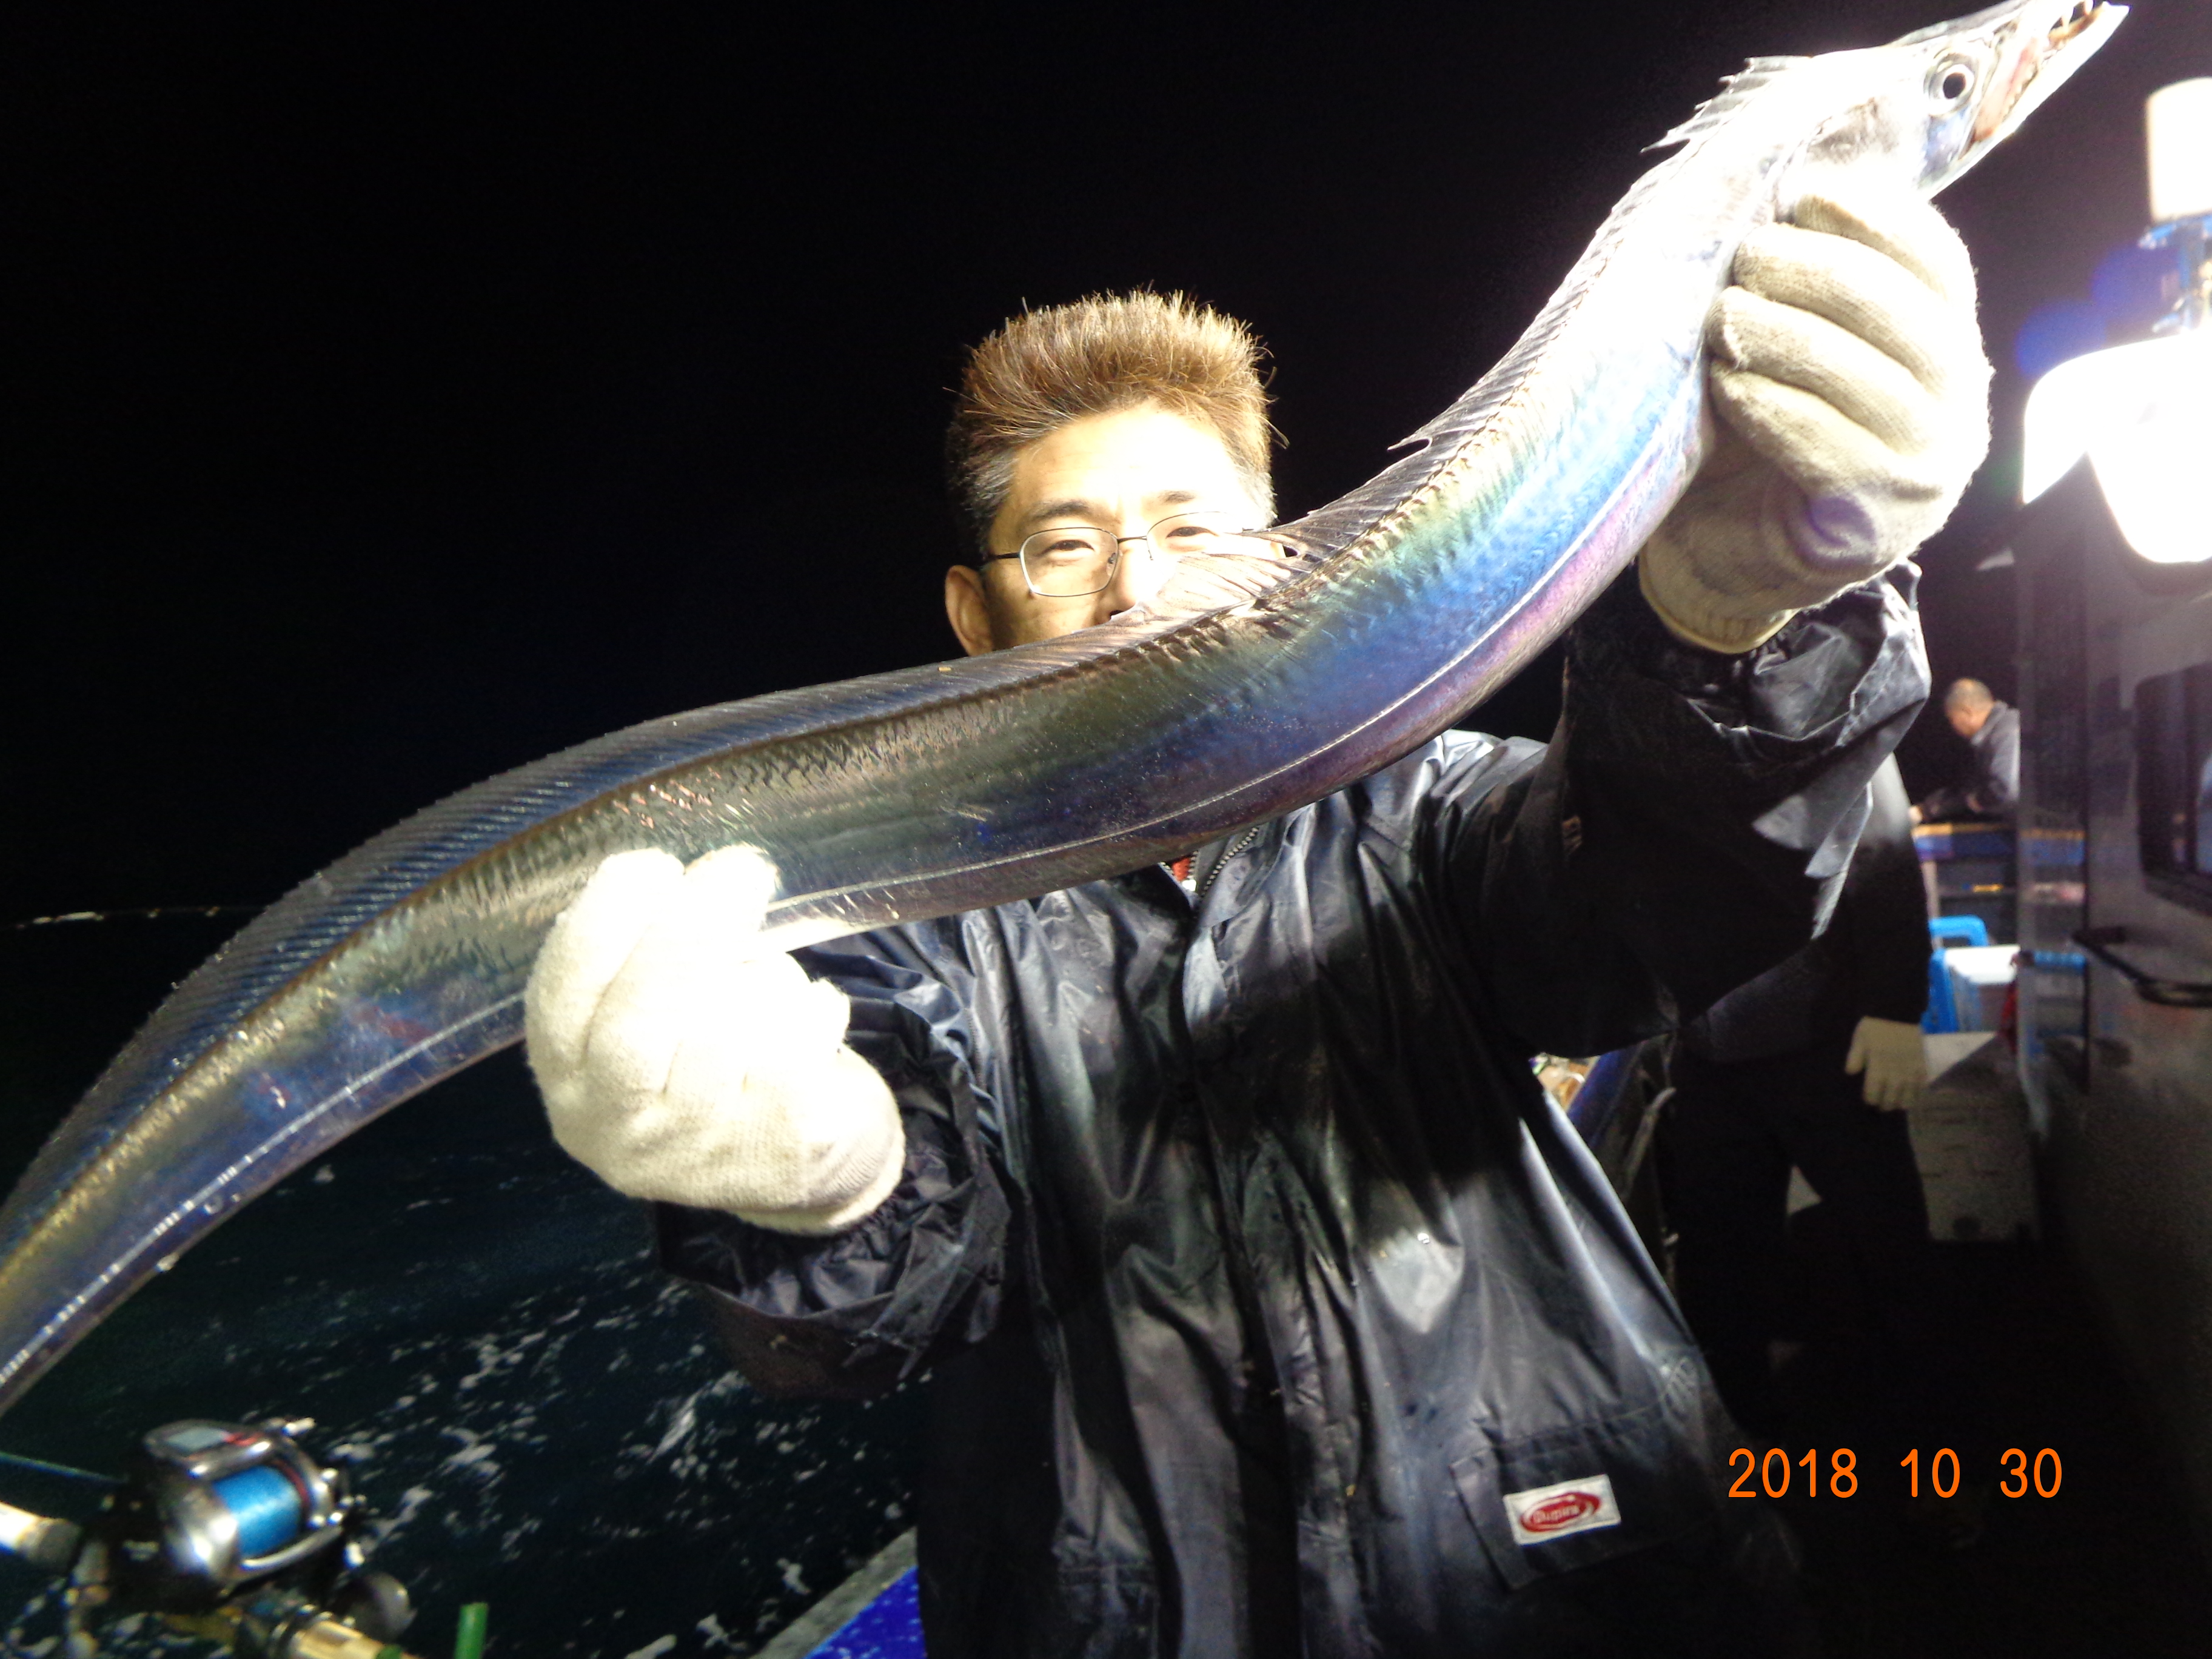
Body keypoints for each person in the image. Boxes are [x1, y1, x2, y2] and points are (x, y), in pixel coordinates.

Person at [526, 178, 1987, 1657]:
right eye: (1064, 545)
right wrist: (813, 1176)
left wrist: (1740, 627)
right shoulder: (907, 931)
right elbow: (873, 1308)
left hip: (1570, 1589)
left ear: (1284, 565)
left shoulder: (1433, 810)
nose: (1139, 588)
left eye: (1192, 528)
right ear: (976, 618)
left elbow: (1643, 905)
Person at [1657, 756, 1937, 1441]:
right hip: (1706, 1052)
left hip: (1828, 1040)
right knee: (1718, 1258)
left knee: (1885, 1246)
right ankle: (1743, 1435)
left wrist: (1895, 1007)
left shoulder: (1831, 707)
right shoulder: (1644, 727)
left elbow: (1884, 856)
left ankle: (1929, 1439)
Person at [1911, 677, 2020, 822]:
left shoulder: (2008, 733)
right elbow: (1970, 789)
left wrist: (1977, 801)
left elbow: (2006, 790)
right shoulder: (1995, 734)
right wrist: (1927, 809)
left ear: (1967, 712)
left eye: (1952, 719)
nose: (1952, 726)